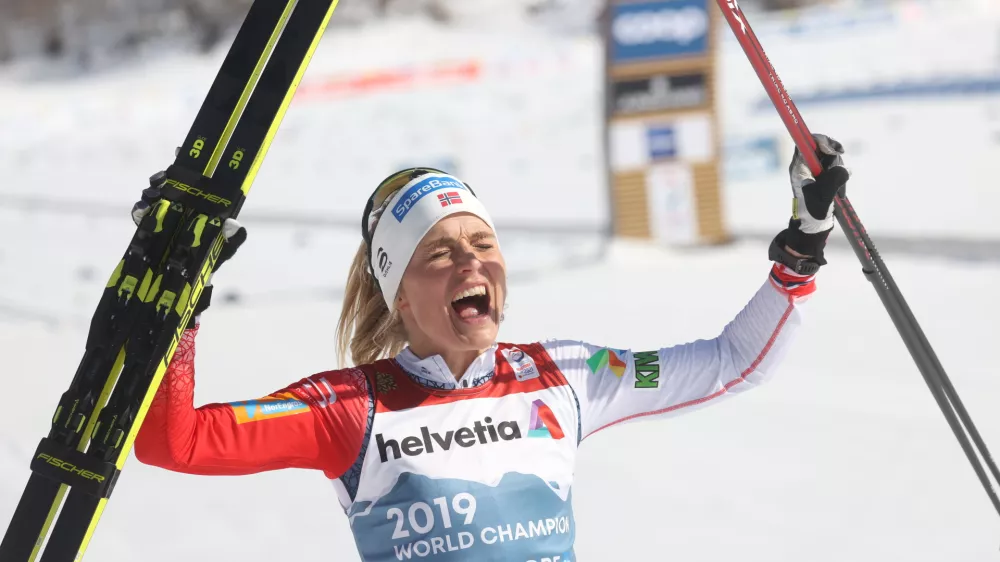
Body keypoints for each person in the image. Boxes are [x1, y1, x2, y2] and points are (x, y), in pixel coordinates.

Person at [134, 134, 850, 561]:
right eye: (440, 254)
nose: (472, 263)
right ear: (401, 297)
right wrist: (179, 312)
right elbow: (178, 441)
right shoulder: (351, 408)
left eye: (483, 243)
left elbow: (729, 363)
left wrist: (801, 253)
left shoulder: (566, 376)